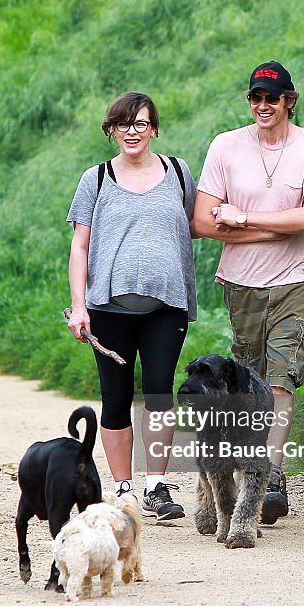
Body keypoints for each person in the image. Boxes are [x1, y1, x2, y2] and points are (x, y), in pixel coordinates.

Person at [192, 61, 304, 525]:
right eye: (255, 97)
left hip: (297, 278)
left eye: (272, 98)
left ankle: (270, 473)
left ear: (289, 100)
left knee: (280, 378)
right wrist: (273, 230)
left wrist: (243, 220)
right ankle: (232, 478)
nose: (263, 106)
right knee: (247, 382)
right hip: (241, 281)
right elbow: (200, 221)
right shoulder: (225, 146)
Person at [67, 92, 197, 521]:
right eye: (122, 125)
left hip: (167, 307)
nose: (132, 133)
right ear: (112, 131)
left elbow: (196, 224)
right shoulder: (97, 178)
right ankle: (124, 490)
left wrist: (243, 221)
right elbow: (80, 245)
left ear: (154, 128)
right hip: (108, 309)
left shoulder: (178, 173)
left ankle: (156, 487)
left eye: (140, 124)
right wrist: (79, 305)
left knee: (160, 391)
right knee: (116, 398)